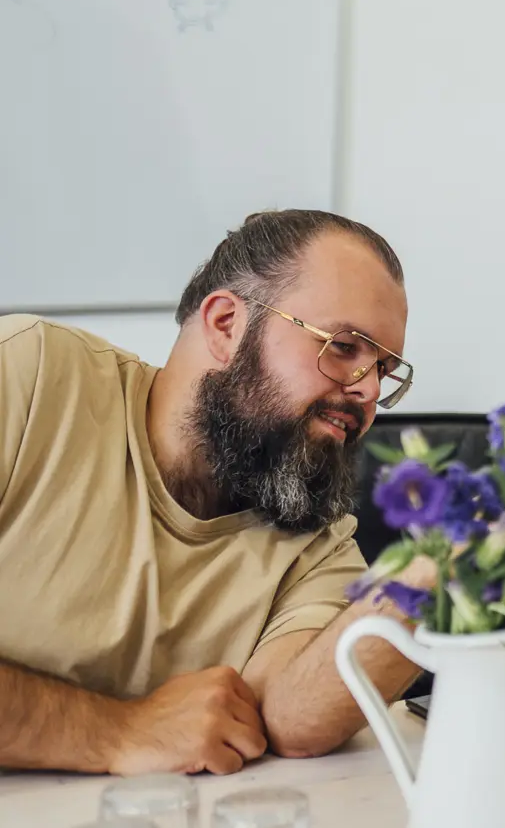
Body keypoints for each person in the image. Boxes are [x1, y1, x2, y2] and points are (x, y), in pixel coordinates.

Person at [0, 211, 443, 773]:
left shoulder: (318, 536)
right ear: (227, 323)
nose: (368, 392)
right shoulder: (28, 378)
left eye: (385, 369)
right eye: (344, 347)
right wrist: (117, 732)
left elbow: (292, 719)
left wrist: (441, 563)